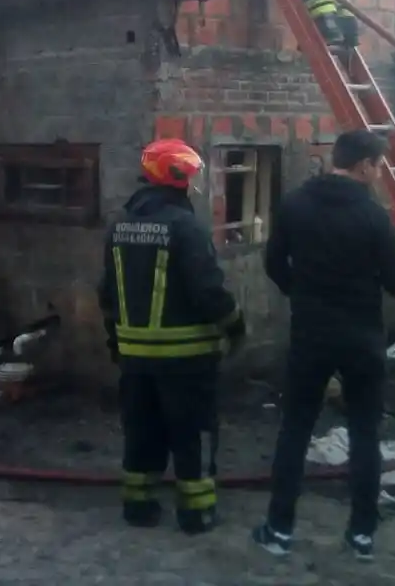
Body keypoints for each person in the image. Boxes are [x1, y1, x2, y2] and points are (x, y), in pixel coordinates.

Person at [252, 129, 395, 562]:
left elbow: (273, 262)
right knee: (364, 433)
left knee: (295, 429)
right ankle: (362, 535)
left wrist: (301, 291)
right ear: (364, 166)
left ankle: (278, 530)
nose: (381, 173)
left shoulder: (295, 203)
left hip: (311, 333)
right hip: (362, 337)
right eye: (379, 166)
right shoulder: (374, 216)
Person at [98, 138, 247, 534]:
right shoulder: (185, 227)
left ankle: (138, 505)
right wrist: (235, 325)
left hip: (134, 359)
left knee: (141, 430)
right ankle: (196, 512)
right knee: (192, 431)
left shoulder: (119, 225)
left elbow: (107, 294)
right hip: (187, 359)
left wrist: (115, 342)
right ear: (178, 176)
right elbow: (208, 291)